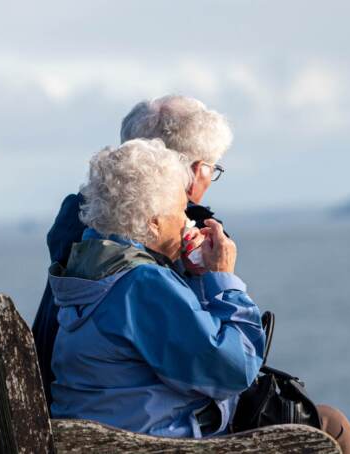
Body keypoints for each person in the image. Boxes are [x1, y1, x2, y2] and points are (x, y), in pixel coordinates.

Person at [49, 139, 264, 437]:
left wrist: (197, 276)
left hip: (101, 435)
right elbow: (235, 369)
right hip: (149, 441)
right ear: (153, 223)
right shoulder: (141, 284)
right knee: (324, 432)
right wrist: (223, 278)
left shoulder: (90, 264)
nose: (187, 220)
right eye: (180, 209)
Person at [32, 95, 233, 407]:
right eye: (212, 167)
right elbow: (221, 367)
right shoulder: (144, 262)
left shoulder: (82, 228)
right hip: (129, 418)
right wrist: (218, 279)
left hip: (58, 394)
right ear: (192, 170)